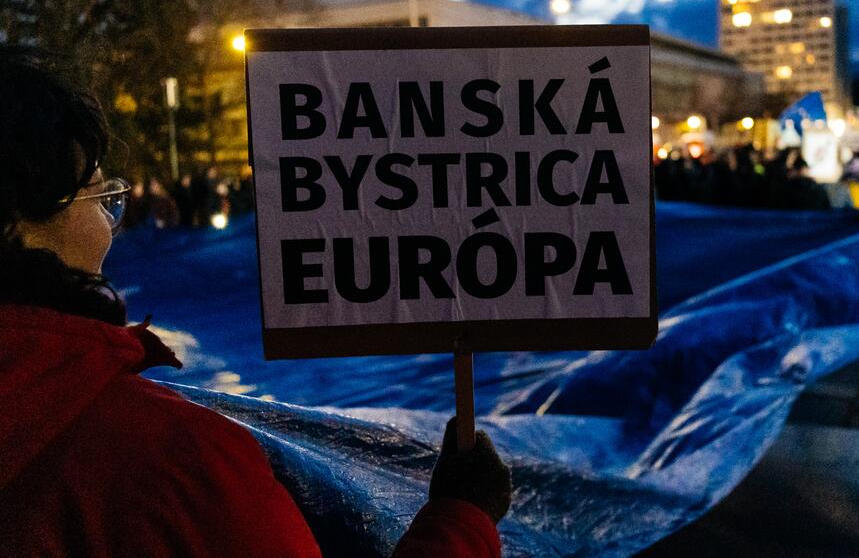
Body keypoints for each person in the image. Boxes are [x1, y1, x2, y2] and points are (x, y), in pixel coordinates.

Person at [0, 47, 511, 557]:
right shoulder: (174, 463)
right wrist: (462, 521)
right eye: (98, 197)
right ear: (18, 224)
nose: (110, 227)